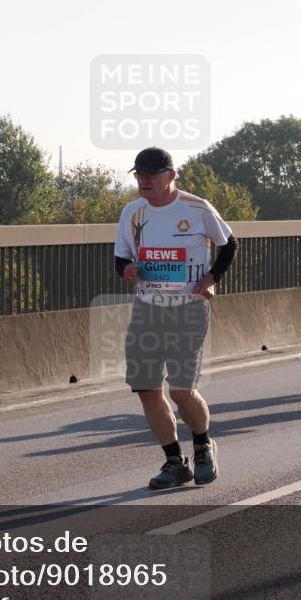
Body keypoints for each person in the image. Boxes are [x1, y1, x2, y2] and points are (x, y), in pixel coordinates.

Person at [114, 147, 239, 490]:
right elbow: (121, 257)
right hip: (148, 308)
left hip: (188, 307)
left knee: (182, 391)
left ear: (170, 175)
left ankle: (203, 446)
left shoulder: (196, 208)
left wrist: (211, 279)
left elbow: (230, 244)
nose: (144, 181)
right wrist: (126, 270)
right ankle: (175, 462)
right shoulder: (132, 212)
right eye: (139, 175)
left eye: (151, 174)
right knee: (147, 389)